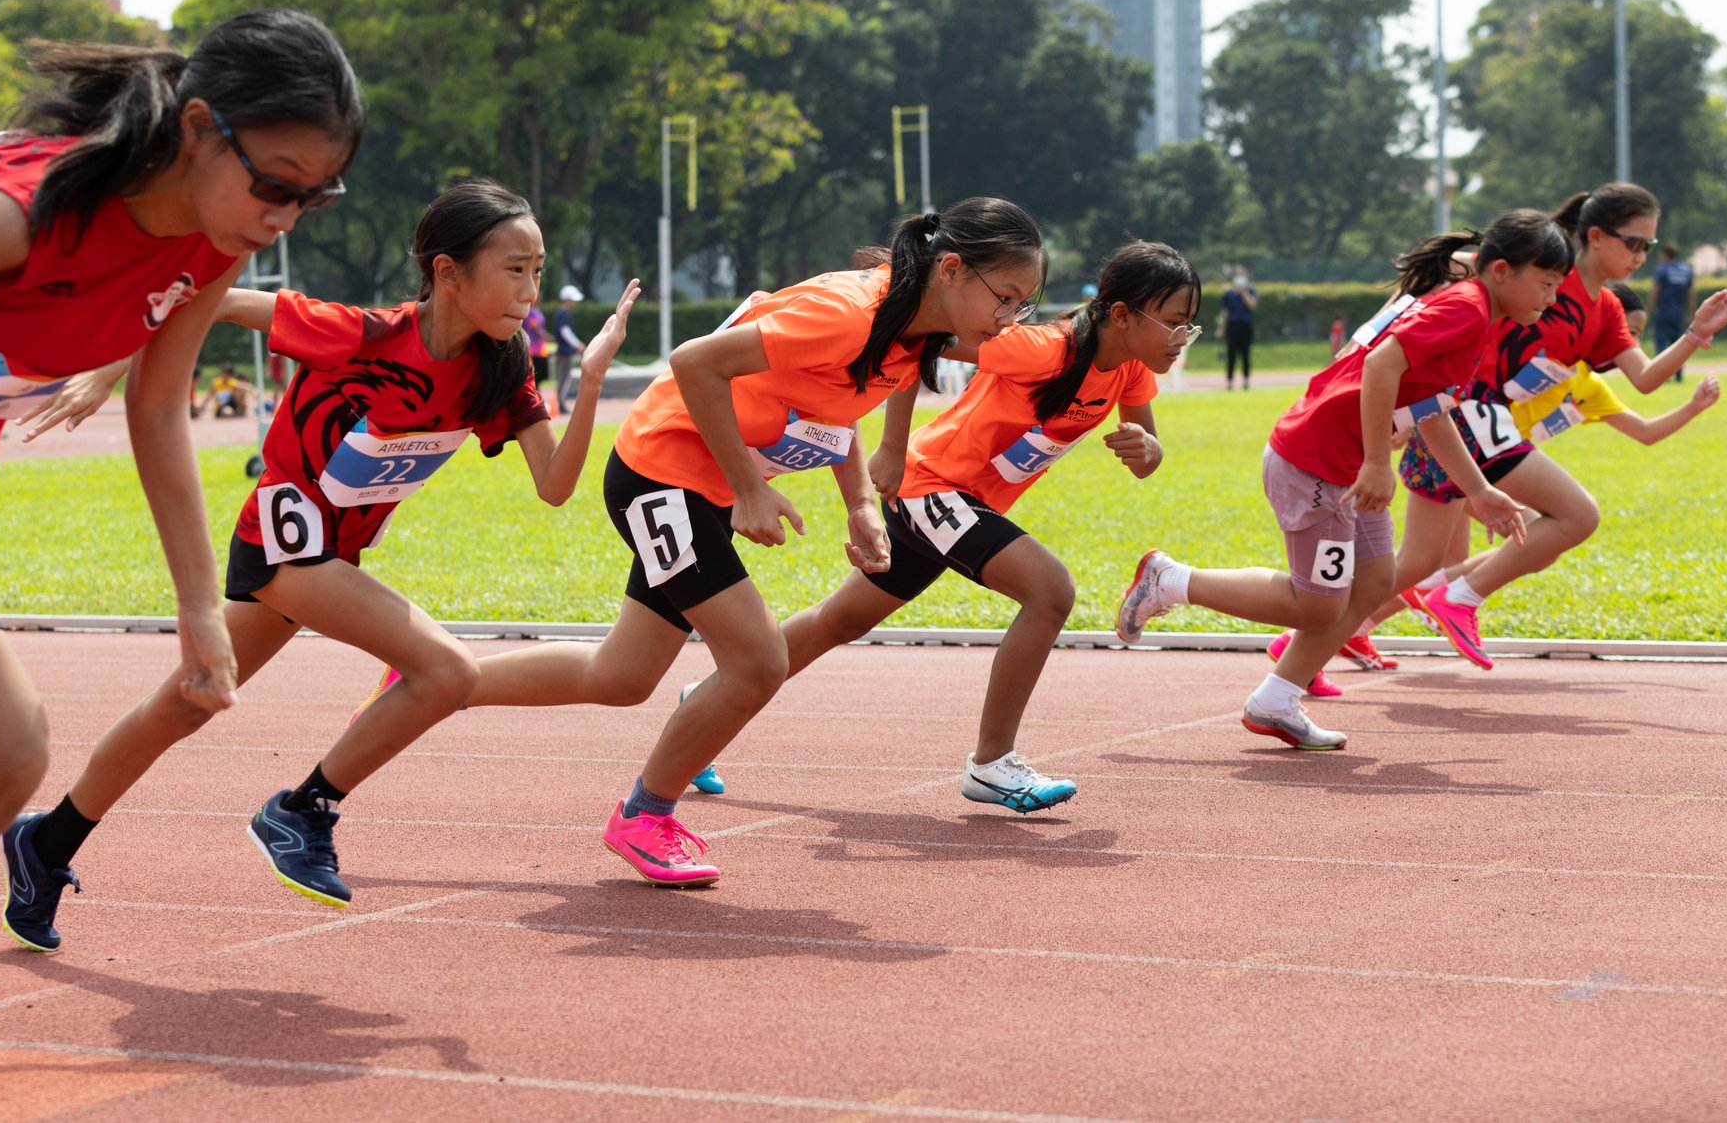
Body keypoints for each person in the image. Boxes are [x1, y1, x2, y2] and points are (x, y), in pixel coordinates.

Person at [0, 8, 364, 1121]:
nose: (282, 219)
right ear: (198, 129)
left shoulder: (210, 241)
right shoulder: (24, 215)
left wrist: (200, 609)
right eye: (275, 183)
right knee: (0, 747)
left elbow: (157, 407)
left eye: (311, 197)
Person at [0, 178, 641, 942]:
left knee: (185, 702)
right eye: (515, 268)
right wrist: (109, 365)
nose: (530, 290)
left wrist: (591, 377)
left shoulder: (501, 371)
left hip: (328, 556)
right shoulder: (356, 333)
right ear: (447, 272)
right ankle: (301, 810)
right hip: (281, 541)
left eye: (537, 270)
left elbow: (556, 486)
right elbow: (204, 300)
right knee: (448, 670)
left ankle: (45, 841)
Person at [438, 197, 1046, 886]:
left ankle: (438, 677)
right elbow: (695, 361)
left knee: (623, 676)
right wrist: (748, 489)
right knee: (759, 661)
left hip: (700, 490)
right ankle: (645, 815)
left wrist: (858, 506)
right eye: (1006, 298)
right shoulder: (847, 312)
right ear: (954, 270)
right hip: (661, 474)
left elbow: (832, 411)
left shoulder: (911, 337)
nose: (1009, 320)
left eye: (1022, 305)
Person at [679, 242, 1194, 812]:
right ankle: (992, 765)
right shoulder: (1040, 348)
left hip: (963, 502)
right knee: (1050, 592)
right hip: (931, 487)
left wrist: (1149, 449)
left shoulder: (1129, 373)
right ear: (1122, 315)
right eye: (1172, 323)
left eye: (1187, 327)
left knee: (839, 620)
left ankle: (705, 702)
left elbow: (1147, 457)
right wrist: (892, 449)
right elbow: (914, 347)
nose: (1180, 337)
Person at [1114, 211, 1569, 752]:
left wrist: (1478, 490)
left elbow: (1430, 409)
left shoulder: (1476, 315)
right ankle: (1169, 581)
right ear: (1500, 271)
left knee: (1377, 582)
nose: (1552, 297)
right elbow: (1382, 364)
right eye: (1545, 283)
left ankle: (1275, 701)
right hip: (1319, 460)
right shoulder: (1466, 309)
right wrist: (1378, 462)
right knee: (1317, 604)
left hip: (1349, 467)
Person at [1361, 186, 1727, 668]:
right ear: (1596, 236)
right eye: (1634, 243)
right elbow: (1452, 273)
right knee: (1575, 516)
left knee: (1423, 561)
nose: (1641, 256)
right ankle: (1457, 596)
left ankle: (1332, 630)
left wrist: (1695, 334)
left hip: (1477, 415)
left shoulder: (1606, 308)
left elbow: (1647, 380)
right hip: (1467, 405)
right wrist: (1373, 347)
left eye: (1649, 247)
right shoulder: (1540, 268)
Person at [1649, 244, 1694, 383]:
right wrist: (1690, 314)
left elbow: (1656, 291)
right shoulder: (1686, 271)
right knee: (1679, 346)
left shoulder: (1662, 270)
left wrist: (1648, 310)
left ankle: (1663, 376)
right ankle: (1679, 376)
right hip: (1679, 314)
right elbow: (1690, 294)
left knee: (1661, 345)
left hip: (1663, 313)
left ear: (1665, 254)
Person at [1216, 267, 1258, 390]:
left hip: (1245, 326)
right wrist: (1221, 328)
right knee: (1231, 355)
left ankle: (1246, 381)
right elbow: (1224, 312)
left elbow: (1252, 305)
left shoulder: (1250, 291)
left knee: (1245, 354)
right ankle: (1229, 382)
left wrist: (1244, 291)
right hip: (1232, 326)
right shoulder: (1228, 294)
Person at [553, 284, 585, 413]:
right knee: (564, 379)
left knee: (564, 378)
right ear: (567, 299)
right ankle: (560, 403)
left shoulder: (562, 313)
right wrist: (577, 344)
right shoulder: (563, 314)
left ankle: (561, 402)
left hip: (565, 351)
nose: (575, 303)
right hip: (564, 352)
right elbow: (565, 332)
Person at [523, 301, 553, 415]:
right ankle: (534, 402)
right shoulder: (530, 312)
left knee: (540, 377)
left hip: (541, 349)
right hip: (533, 349)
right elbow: (535, 327)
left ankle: (537, 401)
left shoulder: (537, 311)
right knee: (536, 377)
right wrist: (548, 337)